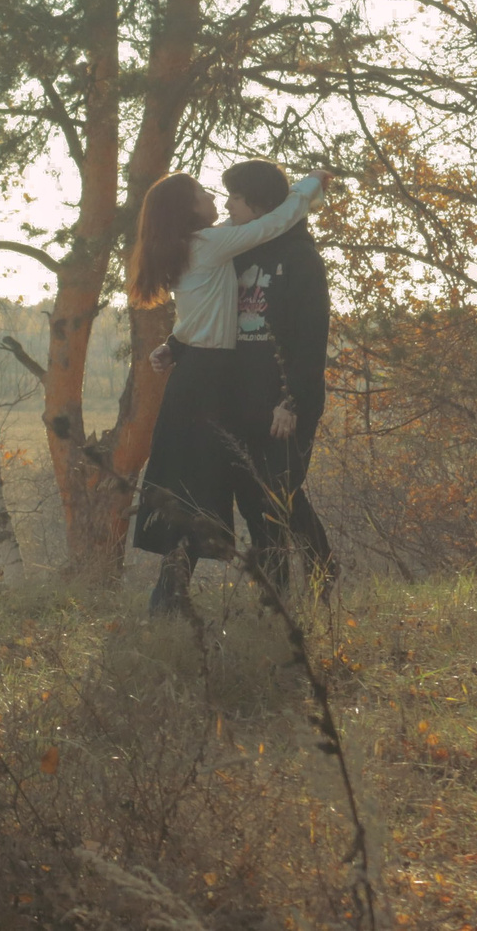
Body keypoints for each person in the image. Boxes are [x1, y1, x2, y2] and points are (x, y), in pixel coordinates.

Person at [126, 164, 331, 616]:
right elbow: (276, 221)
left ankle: (311, 577)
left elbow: (210, 313)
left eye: (233, 196)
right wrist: (310, 183)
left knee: (248, 488)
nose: (221, 202)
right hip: (211, 385)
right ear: (188, 210)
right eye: (207, 193)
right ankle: (173, 596)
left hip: (226, 386)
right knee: (200, 488)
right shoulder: (218, 245)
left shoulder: (239, 249)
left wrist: (175, 345)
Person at [219, 159, 336, 599]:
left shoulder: (301, 258)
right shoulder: (237, 251)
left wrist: (291, 401)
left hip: (287, 401)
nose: (227, 205)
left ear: (260, 202)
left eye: (235, 196)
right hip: (242, 399)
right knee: (252, 498)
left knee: (279, 489)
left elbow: (311, 336)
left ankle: (323, 572)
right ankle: (277, 594)